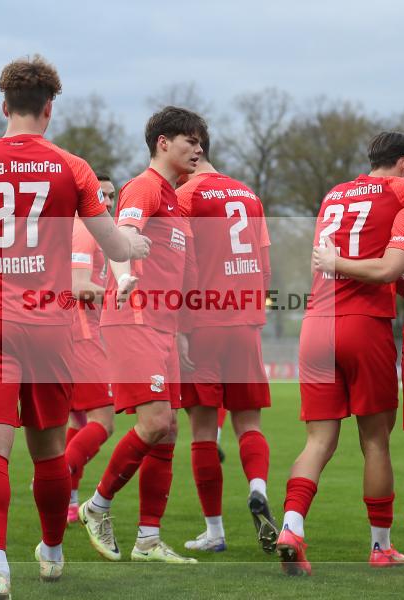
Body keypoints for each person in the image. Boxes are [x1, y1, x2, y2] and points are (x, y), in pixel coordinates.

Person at [0, 55, 149, 595]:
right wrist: (134, 244)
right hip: (49, 324)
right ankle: (51, 550)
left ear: (3, 105)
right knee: (47, 452)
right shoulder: (73, 166)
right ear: (49, 108)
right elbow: (115, 244)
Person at [277, 131, 404, 576]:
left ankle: (291, 526)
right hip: (362, 324)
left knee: (318, 441)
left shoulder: (335, 193)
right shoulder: (399, 187)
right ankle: (380, 546)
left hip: (316, 324)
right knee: (375, 441)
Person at [78, 106, 205, 565]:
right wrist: (124, 273)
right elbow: (123, 232)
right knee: (153, 424)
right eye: (189, 140)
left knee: (168, 433)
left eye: (200, 141)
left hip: (165, 328)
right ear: (163, 142)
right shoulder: (144, 187)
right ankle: (96, 507)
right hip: (134, 319)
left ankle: (148, 539)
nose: (198, 148)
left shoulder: (178, 200)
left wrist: (184, 333)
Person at [174, 133, 276, 554]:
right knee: (248, 423)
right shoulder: (249, 195)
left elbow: (181, 266)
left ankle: (214, 531)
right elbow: (266, 267)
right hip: (245, 321)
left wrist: (180, 324)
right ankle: (257, 486)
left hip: (203, 324)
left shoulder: (185, 195)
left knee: (202, 430)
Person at [64, 174, 116, 523]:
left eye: (113, 196)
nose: (109, 203)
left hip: (70, 333)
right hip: (82, 333)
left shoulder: (78, 228)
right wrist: (120, 295)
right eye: (103, 195)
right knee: (104, 421)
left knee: (77, 418)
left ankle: (68, 501)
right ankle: (56, 474)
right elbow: (79, 285)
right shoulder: (84, 229)